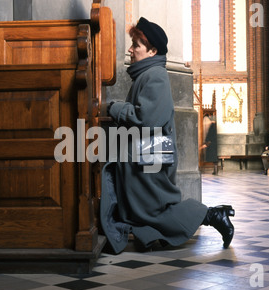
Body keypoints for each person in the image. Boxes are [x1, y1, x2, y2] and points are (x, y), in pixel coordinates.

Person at [100, 17, 235, 254]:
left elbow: (147, 119)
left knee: (153, 210)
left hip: (149, 156)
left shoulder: (155, 75)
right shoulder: (147, 74)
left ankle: (213, 215)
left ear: (152, 50)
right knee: (144, 207)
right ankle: (152, 236)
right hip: (146, 154)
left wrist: (115, 108)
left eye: (136, 45)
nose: (130, 50)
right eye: (132, 44)